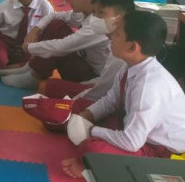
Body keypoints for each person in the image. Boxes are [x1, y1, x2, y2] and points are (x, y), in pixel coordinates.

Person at [61, 10, 185, 178]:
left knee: (92, 148)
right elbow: (111, 100)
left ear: (132, 47)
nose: (111, 36)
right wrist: (87, 115)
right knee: (76, 113)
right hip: (137, 131)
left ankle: (89, 165)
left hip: (162, 153)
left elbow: (132, 142)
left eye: (117, 34)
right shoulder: (130, 66)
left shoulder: (148, 86)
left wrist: (91, 130)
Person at [0, 0, 112, 89]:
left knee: (51, 87)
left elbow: (62, 46)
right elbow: (53, 16)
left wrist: (29, 47)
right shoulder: (83, 14)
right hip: (83, 64)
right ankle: (31, 69)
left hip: (92, 77)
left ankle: (34, 74)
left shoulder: (98, 25)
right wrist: (35, 30)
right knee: (56, 25)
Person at [41, 0, 135, 115]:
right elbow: (105, 81)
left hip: (116, 102)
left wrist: (74, 103)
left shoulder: (121, 47)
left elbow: (102, 92)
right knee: (50, 91)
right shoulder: (114, 37)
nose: (95, 18)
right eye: (94, 13)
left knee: (51, 97)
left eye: (101, 13)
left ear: (120, 17)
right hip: (102, 88)